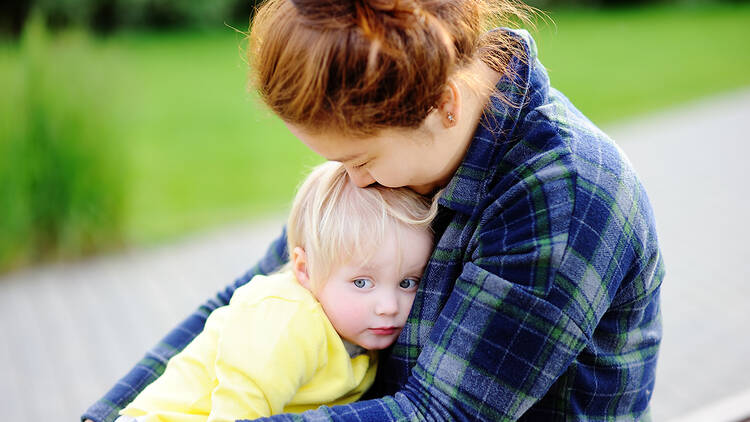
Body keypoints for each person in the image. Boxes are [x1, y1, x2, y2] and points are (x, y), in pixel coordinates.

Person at [84, 0, 664, 420]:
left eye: (359, 160)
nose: (352, 181)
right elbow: (253, 295)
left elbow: (442, 415)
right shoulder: (406, 148)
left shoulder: (563, 194)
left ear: (443, 104)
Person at [116, 161, 436, 421]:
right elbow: (237, 413)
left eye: (407, 282)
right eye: (362, 283)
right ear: (304, 270)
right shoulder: (286, 320)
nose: (388, 306)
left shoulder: (357, 335)